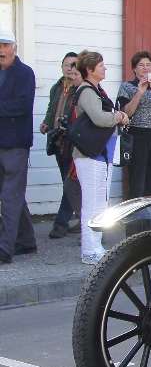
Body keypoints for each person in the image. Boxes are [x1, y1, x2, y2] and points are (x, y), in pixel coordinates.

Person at [72, 50, 129, 264]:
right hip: (90, 155)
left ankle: (96, 246)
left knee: (100, 202)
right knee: (92, 202)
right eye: (101, 65)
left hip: (101, 153)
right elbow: (98, 118)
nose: (105, 68)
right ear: (89, 69)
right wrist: (119, 116)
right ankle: (89, 250)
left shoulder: (98, 90)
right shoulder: (87, 91)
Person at [0, 29, 38, 263]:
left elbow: (22, 105)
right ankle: (26, 241)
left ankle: (5, 249)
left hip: (15, 145)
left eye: (5, 45)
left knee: (10, 196)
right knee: (13, 195)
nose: (1, 50)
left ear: (15, 47)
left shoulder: (25, 73)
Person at [117, 51, 151, 200]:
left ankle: (148, 222)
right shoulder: (128, 87)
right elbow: (125, 113)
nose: (146, 68)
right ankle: (134, 222)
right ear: (134, 68)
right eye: (141, 65)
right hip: (137, 138)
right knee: (137, 182)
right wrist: (139, 93)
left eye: (149, 65)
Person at [40, 52, 83, 238]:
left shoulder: (79, 87)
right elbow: (52, 107)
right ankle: (84, 219)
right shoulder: (57, 87)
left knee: (69, 183)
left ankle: (61, 223)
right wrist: (47, 122)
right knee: (68, 183)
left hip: (71, 142)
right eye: (66, 64)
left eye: (73, 65)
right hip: (57, 141)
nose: (69, 68)